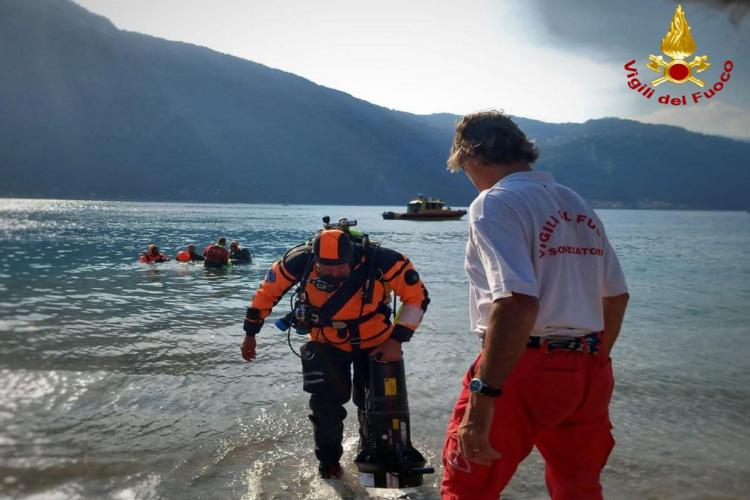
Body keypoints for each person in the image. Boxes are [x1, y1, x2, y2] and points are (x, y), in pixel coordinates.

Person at [440, 111, 629, 500]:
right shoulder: (573, 201)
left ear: (471, 158)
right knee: (578, 486)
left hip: (523, 368)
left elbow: (515, 300)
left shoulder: (493, 203)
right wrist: (593, 359)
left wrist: (483, 397)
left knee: (468, 486)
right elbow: (616, 296)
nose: (470, 179)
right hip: (589, 366)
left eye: (465, 170)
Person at [241, 229, 429, 479]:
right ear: (315, 260)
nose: (334, 274)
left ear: (352, 257)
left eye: (340, 267)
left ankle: (374, 456)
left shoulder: (382, 260)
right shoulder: (298, 261)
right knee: (325, 410)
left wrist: (397, 339)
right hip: (325, 342)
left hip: (375, 341)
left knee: (374, 406)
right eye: (326, 269)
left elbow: (417, 297)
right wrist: (250, 334)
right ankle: (329, 464)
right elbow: (266, 295)